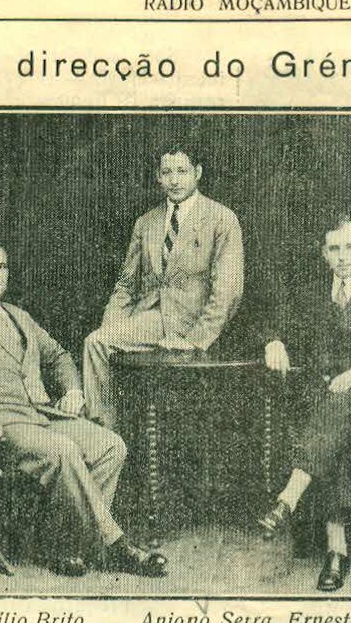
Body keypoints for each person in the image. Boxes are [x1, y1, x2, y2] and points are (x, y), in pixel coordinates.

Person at [0, 240, 168, 578]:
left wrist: (74, 391)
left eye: (0, 268)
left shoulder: (20, 317)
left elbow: (59, 357)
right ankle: (114, 545)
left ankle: (68, 545)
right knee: (63, 451)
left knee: (111, 446)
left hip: (40, 415)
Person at [256, 213, 351, 592]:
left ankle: (290, 499)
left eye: (350, 247)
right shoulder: (309, 295)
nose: (343, 256)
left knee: (334, 412)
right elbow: (273, 321)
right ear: (324, 254)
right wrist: (274, 340)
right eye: (334, 248)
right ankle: (336, 550)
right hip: (325, 400)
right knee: (332, 428)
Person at [83, 145, 244, 431]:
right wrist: (113, 326)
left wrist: (195, 339)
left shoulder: (222, 218)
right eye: (167, 172)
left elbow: (228, 290)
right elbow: (126, 284)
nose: (175, 180)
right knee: (97, 341)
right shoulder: (146, 222)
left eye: (182, 171)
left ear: (198, 173)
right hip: (152, 318)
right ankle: (105, 436)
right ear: (158, 177)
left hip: (193, 323)